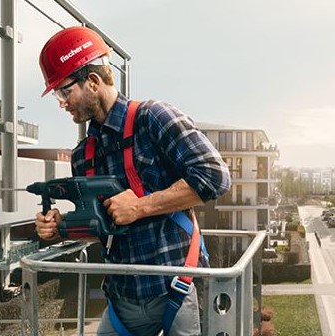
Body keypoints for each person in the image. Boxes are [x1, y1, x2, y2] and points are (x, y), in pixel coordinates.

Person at [34, 26, 231, 336]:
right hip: (122, 298)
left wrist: (140, 206)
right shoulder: (82, 155)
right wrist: (59, 229)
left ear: (94, 82)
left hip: (177, 289)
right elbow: (101, 226)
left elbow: (215, 176)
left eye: (64, 91)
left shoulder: (153, 118)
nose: (62, 102)